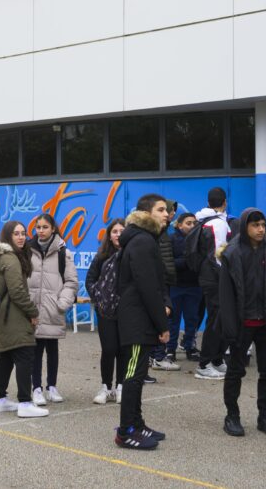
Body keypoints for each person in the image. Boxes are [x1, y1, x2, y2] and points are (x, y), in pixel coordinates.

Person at [218, 208, 266, 438]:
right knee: (236, 371)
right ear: (245, 226)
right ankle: (232, 415)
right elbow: (225, 294)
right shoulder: (232, 253)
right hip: (242, 322)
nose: (260, 229)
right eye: (255, 225)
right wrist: (229, 326)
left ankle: (265, 416)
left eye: (263, 225)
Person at [114, 193, 172, 450]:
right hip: (137, 320)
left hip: (139, 318)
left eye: (167, 210)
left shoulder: (144, 239)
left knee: (136, 374)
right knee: (132, 376)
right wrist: (163, 325)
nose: (166, 214)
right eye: (161, 210)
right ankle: (126, 431)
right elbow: (148, 287)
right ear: (146, 213)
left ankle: (137, 424)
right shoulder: (142, 241)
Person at [0, 220, 46, 419]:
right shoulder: (11, 258)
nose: (21, 237)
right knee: (25, 353)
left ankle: (0, 400)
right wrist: (33, 312)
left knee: (5, 354)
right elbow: (17, 291)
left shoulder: (1, 257)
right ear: (8, 235)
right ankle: (25, 402)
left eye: (23, 233)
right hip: (14, 314)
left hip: (3, 315)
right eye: (16, 233)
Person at [27, 213, 79, 406]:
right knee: (35, 350)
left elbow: (72, 281)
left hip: (53, 309)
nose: (41, 230)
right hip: (32, 309)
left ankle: (52, 387)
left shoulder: (63, 252)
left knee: (52, 349)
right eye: (38, 227)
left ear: (53, 229)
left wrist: (62, 303)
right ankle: (36, 388)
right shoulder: (27, 250)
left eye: (45, 227)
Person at [195, 187, 234, 381]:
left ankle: (217, 360)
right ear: (224, 202)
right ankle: (204, 364)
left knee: (220, 319)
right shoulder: (217, 224)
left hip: (210, 276)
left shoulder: (203, 219)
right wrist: (226, 276)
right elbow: (218, 254)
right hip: (215, 277)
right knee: (216, 320)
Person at [86, 218, 127, 405]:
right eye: (114, 231)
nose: (118, 234)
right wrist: (100, 298)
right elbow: (90, 280)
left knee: (123, 350)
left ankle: (120, 387)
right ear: (109, 235)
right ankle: (105, 387)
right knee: (109, 349)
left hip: (127, 311)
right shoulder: (101, 256)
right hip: (106, 312)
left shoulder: (132, 254)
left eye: (121, 231)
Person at [150, 201, 180, 373]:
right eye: (169, 210)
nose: (172, 213)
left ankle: (155, 356)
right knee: (163, 318)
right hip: (161, 280)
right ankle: (158, 357)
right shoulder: (158, 230)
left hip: (165, 279)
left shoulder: (164, 229)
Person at [170, 213, 203, 362]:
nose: (191, 226)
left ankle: (189, 346)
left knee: (192, 319)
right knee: (173, 320)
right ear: (179, 225)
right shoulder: (172, 239)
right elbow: (169, 263)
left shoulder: (200, 240)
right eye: (188, 223)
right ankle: (170, 349)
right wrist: (186, 261)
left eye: (194, 223)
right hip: (176, 286)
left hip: (194, 286)